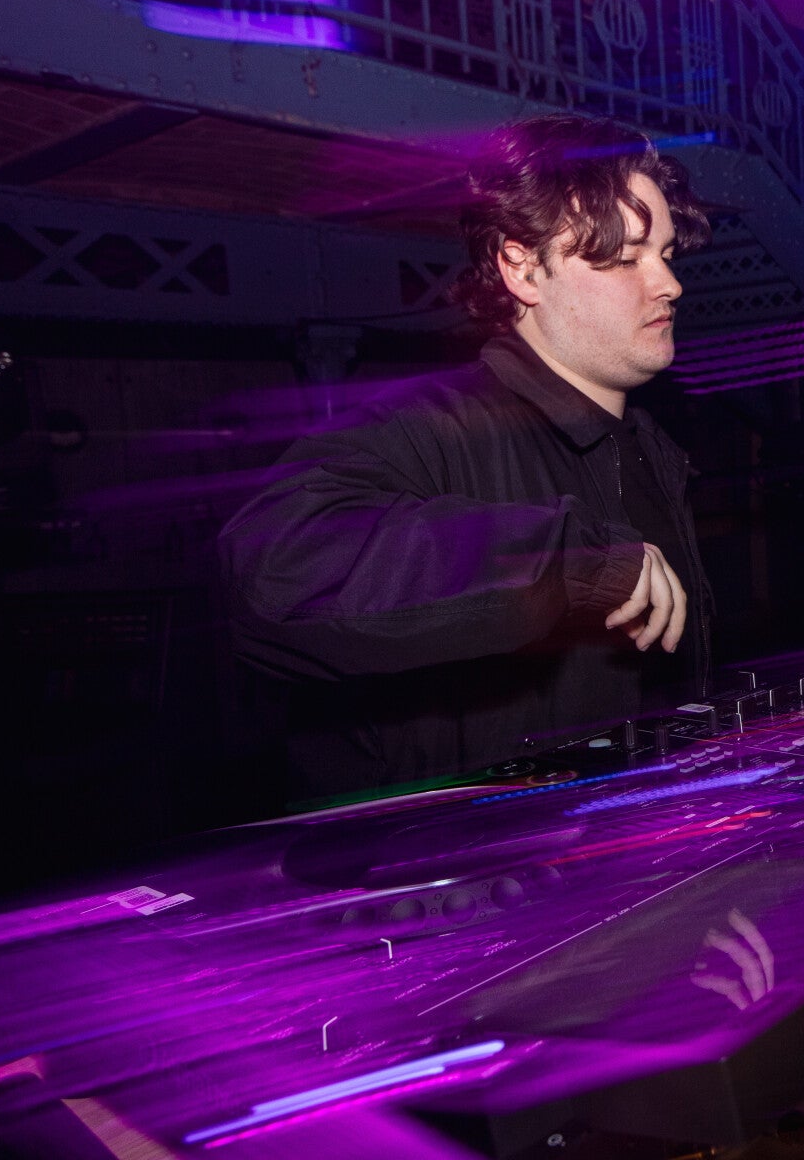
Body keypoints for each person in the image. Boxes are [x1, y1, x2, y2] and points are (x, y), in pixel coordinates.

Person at [218, 114, 715, 801]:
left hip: (636, 844)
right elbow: (272, 570)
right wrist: (567, 559)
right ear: (523, 267)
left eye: (665, 254)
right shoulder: (431, 428)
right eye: (627, 258)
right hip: (480, 862)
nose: (668, 284)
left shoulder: (653, 450)